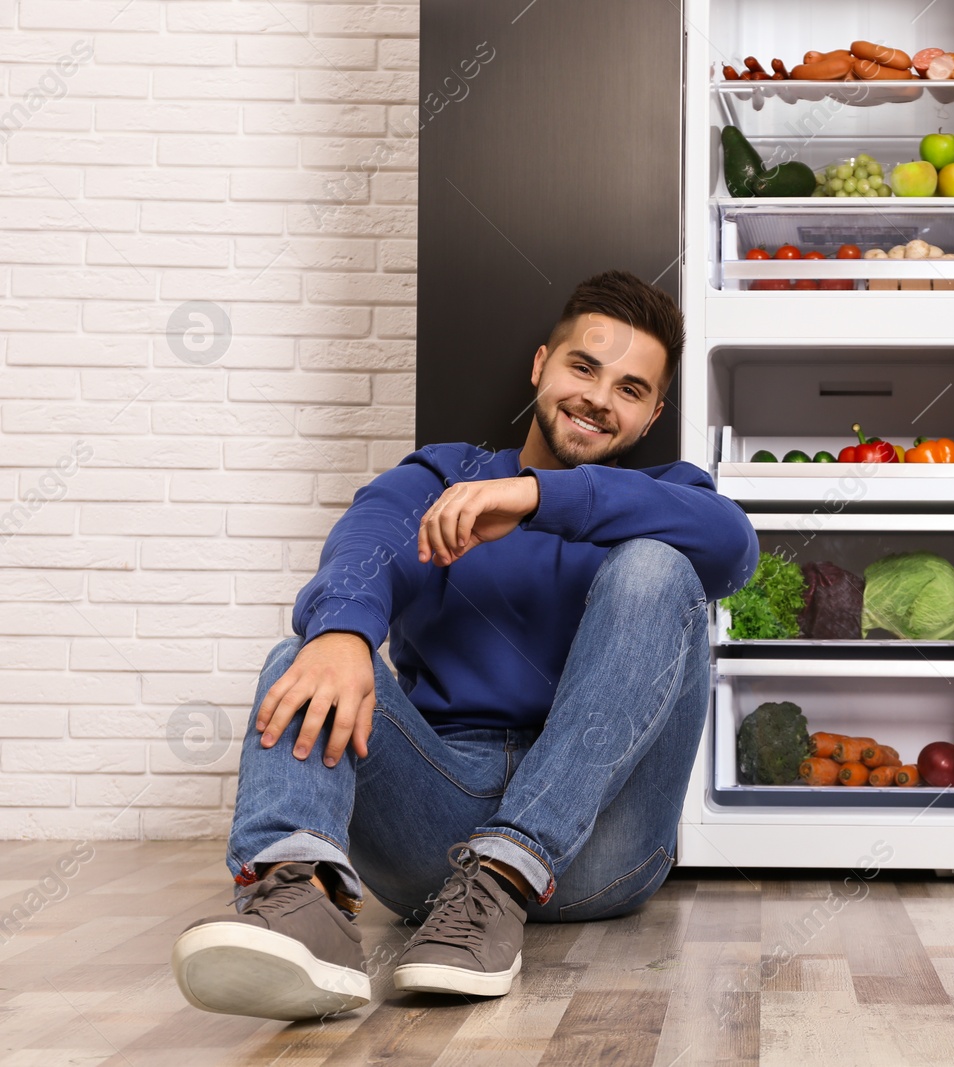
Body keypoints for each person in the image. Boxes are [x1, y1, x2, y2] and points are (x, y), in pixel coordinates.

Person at [169, 270, 758, 1021]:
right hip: (436, 839)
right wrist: (345, 631)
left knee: (657, 566)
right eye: (584, 367)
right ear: (541, 364)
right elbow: (369, 540)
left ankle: (512, 869)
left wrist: (539, 496)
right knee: (305, 656)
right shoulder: (447, 477)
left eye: (631, 389)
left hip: (601, 842)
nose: (600, 399)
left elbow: (734, 546)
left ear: (650, 416)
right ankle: (299, 904)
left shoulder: (670, 497)